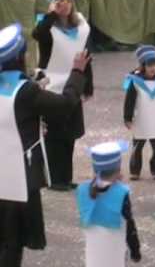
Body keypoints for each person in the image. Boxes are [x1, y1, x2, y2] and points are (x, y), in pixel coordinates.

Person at [0, 23, 90, 267]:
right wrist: (77, 72)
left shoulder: (26, 89)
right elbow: (65, 105)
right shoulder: (27, 92)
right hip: (17, 179)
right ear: (20, 56)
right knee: (11, 242)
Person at [32, 0, 93, 191]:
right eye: (59, 1)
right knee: (55, 134)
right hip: (52, 86)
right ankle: (54, 179)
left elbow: (86, 57)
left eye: (67, 1)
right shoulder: (47, 26)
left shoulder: (81, 26)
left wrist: (88, 86)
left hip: (74, 83)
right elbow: (37, 34)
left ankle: (66, 177)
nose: (63, 5)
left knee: (70, 134)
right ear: (52, 4)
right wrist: (51, 15)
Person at [76, 141, 141, 266]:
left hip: (93, 254)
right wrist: (135, 251)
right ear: (118, 169)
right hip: (114, 253)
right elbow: (129, 226)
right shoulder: (121, 193)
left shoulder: (83, 190)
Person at [123, 45, 155, 181]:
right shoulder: (135, 82)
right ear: (142, 66)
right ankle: (135, 170)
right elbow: (129, 101)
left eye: (154, 64)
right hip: (141, 119)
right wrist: (127, 117)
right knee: (137, 146)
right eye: (149, 65)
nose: (152, 68)